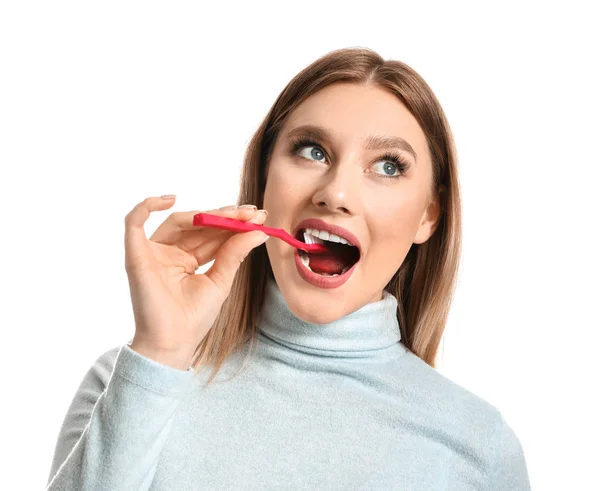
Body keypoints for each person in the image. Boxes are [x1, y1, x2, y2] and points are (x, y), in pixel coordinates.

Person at [46, 48, 531, 490]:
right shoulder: (127, 383)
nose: (336, 193)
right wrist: (160, 351)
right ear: (264, 175)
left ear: (428, 215)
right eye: (312, 151)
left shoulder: (477, 448)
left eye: (387, 166)